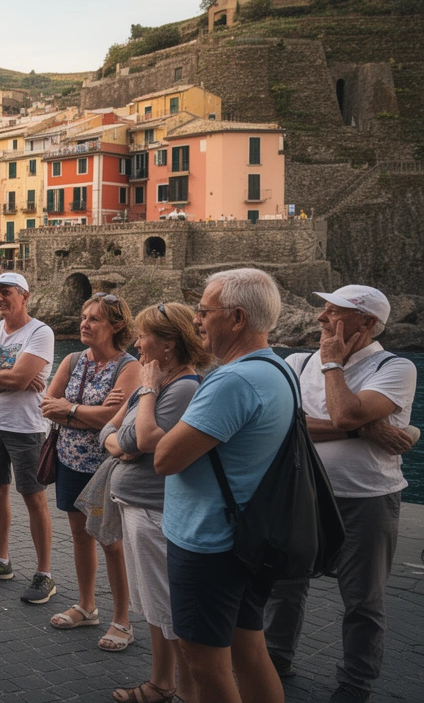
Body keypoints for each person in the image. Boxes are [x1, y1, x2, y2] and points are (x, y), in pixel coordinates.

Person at [264, 285, 418, 703]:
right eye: (324, 310)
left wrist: (332, 366)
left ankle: (354, 686)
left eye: (333, 312)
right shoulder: (296, 361)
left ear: (367, 323)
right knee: (286, 584)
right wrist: (367, 428)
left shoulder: (396, 367)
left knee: (363, 601)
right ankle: (275, 661)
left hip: (367, 499)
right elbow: (281, 423)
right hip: (304, 491)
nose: (320, 319)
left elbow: (343, 411)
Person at [155, 268, 293, 703]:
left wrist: (145, 396)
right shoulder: (279, 370)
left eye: (203, 311)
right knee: (249, 651)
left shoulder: (232, 381)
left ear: (236, 318)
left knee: (203, 662)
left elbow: (164, 458)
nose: (197, 320)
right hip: (246, 536)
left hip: (208, 541)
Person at [101, 303, 210, 703]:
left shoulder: (181, 389)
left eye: (144, 336)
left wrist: (144, 391)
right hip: (137, 507)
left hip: (154, 511)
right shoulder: (161, 385)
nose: (136, 343)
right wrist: (119, 444)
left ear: (167, 345)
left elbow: (142, 441)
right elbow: (110, 432)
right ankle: (163, 682)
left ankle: (187, 691)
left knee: (167, 607)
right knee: (154, 606)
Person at [41, 294, 140, 649]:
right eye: (84, 316)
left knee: (110, 543)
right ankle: (87, 606)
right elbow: (46, 406)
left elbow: (114, 420)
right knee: (80, 536)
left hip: (103, 469)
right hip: (69, 462)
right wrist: (83, 411)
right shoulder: (71, 360)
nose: (84, 323)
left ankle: (123, 621)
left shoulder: (129, 368)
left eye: (94, 318)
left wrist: (69, 409)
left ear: (116, 326)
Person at [0, 272, 58, 604]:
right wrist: (9, 377)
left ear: (24, 296)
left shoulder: (40, 332)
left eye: (5, 293)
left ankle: (44, 573)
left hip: (26, 427)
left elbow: (16, 378)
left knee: (34, 498)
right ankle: (2, 561)